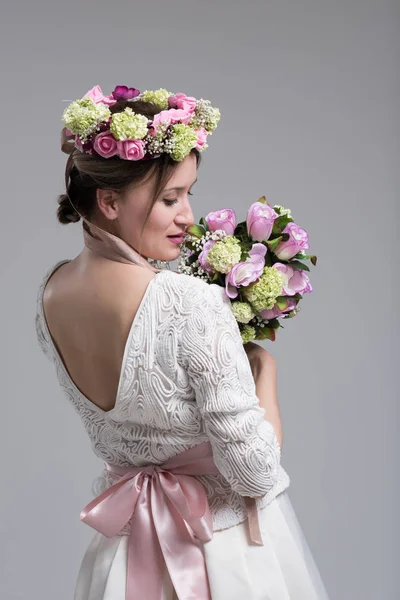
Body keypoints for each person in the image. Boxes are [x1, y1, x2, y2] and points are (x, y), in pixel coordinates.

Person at [35, 85, 330, 599]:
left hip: (122, 556)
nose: (188, 216)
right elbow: (256, 473)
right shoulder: (187, 302)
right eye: (170, 198)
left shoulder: (51, 293)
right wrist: (266, 373)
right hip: (219, 552)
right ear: (107, 200)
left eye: (188, 193)